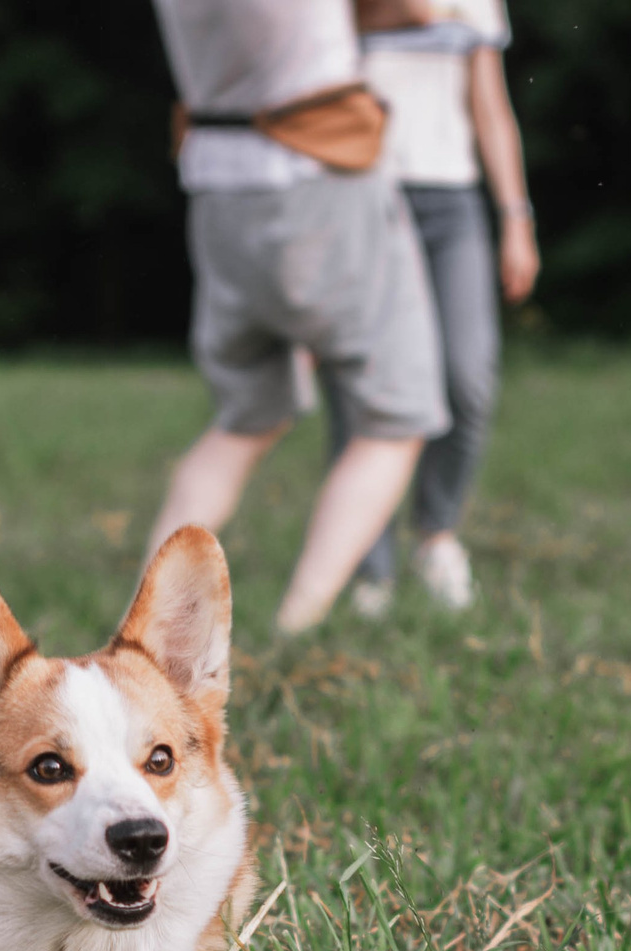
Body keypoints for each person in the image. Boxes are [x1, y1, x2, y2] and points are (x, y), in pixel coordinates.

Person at [144, 0, 451, 636]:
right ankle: (297, 623)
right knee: (396, 419)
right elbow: (419, 10)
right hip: (319, 175)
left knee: (245, 419)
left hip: (218, 185)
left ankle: (142, 626)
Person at [327, 0, 537, 618]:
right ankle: (369, 569)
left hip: (453, 203)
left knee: (468, 378)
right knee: (363, 386)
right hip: (361, 196)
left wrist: (516, 217)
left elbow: (490, 109)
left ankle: (437, 534)